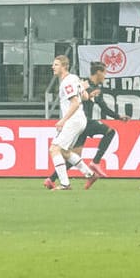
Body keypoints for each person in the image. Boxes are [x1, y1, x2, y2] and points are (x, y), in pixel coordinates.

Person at [46, 55, 101, 190]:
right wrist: (89, 93)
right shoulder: (74, 78)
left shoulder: (66, 82)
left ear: (64, 66)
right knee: (64, 152)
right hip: (80, 119)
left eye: (56, 64)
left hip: (73, 120)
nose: (53, 67)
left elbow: (75, 103)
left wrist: (63, 120)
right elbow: (85, 96)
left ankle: (65, 184)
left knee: (54, 149)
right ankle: (89, 174)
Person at [80, 64, 123, 167]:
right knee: (110, 132)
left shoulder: (97, 89)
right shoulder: (82, 83)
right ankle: (95, 162)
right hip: (81, 120)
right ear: (98, 72)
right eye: (104, 72)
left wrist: (118, 117)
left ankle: (51, 179)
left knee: (74, 156)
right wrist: (88, 93)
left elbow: (104, 108)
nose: (105, 75)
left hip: (84, 123)